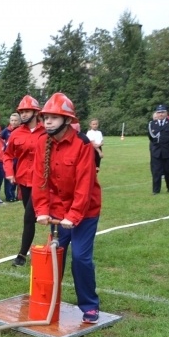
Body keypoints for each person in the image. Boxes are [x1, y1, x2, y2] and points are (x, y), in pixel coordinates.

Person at [32, 93, 102, 324]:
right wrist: (41, 209)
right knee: (53, 256)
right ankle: (50, 299)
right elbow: (39, 179)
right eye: (46, 117)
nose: (48, 122)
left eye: (53, 117)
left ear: (67, 119)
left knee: (81, 257)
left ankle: (89, 305)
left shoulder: (83, 145)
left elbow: (85, 183)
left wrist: (73, 215)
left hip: (85, 211)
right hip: (57, 212)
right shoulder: (43, 141)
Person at [2, 96, 46, 267]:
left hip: (41, 182)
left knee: (29, 217)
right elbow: (7, 155)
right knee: (33, 216)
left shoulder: (46, 132)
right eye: (22, 111)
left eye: (27, 111)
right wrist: (9, 172)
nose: (23, 114)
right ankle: (55, 238)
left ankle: (21, 255)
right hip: (23, 181)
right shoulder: (16, 133)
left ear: (36, 112)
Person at [147, 104, 169, 194]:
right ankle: (156, 190)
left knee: (168, 171)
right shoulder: (152, 124)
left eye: (162, 112)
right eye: (158, 112)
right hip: (156, 151)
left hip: (168, 151)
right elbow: (151, 137)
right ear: (156, 114)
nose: (160, 114)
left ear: (166, 113)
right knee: (156, 171)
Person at [1, 113, 20, 202]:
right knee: (9, 176)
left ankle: (16, 195)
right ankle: (9, 196)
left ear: (19, 121)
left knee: (17, 177)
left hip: (19, 157)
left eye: (16, 120)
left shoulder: (21, 130)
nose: (14, 122)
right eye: (12, 120)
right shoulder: (6, 131)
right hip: (10, 157)